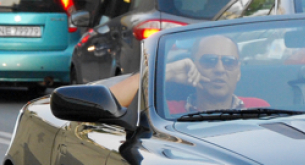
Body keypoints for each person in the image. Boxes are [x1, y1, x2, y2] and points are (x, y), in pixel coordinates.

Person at [109, 33, 265, 113]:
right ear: (193, 65)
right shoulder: (166, 111)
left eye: (229, 62)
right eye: (209, 61)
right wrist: (167, 72)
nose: (219, 69)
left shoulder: (260, 108)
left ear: (238, 72)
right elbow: (107, 103)